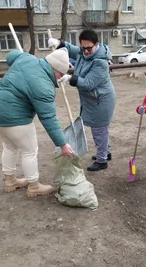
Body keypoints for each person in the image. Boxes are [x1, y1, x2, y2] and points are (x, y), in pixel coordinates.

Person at [0, 47, 75, 196]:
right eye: (60, 74)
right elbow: (48, 118)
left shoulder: (27, 59)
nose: (59, 78)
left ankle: (10, 180)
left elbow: (11, 56)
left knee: (9, 146)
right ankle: (34, 186)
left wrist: (22, 55)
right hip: (14, 117)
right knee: (30, 151)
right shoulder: (44, 86)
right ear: (56, 70)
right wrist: (63, 144)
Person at [48, 29, 115, 172]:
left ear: (96, 45)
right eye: (83, 48)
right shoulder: (83, 52)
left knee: (99, 130)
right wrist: (59, 43)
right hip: (92, 99)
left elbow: (88, 83)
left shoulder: (100, 63)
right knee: (101, 130)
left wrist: (71, 78)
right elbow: (72, 50)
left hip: (101, 100)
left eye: (88, 48)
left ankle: (102, 160)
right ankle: (105, 152)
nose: (85, 51)